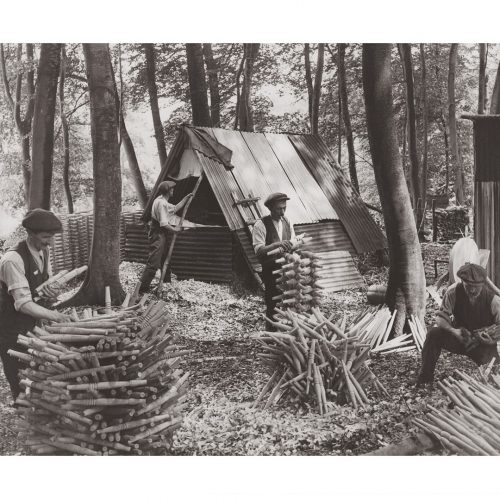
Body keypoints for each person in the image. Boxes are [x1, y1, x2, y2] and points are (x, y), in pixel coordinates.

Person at [0, 209, 74, 401]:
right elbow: (23, 303)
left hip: (33, 323)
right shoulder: (12, 260)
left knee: (37, 370)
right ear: (30, 233)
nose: (49, 242)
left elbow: (43, 286)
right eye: (45, 237)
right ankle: (22, 414)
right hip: (11, 326)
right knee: (19, 374)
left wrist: (52, 294)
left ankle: (37, 412)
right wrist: (57, 316)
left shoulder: (44, 251)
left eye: (52, 237)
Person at [417, 262, 500, 386]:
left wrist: (491, 339)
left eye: (475, 286)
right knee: (434, 334)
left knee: (494, 376)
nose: (472, 290)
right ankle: (425, 377)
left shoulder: (494, 300)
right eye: (468, 285)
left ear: (482, 284)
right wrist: (453, 331)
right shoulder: (453, 292)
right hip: (460, 338)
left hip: (482, 344)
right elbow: (440, 317)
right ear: (462, 282)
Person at [139, 180, 195, 293]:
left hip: (161, 233)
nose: (173, 190)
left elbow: (174, 208)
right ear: (168, 191)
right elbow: (163, 223)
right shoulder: (161, 203)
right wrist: (175, 230)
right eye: (172, 189)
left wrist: (186, 198)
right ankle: (142, 289)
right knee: (154, 262)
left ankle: (165, 282)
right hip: (157, 234)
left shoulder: (161, 200)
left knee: (165, 257)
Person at [252, 192, 296, 330]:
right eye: (279, 209)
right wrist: (276, 245)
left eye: (284, 208)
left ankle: (288, 335)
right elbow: (258, 251)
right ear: (270, 208)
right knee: (273, 306)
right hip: (271, 272)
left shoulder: (287, 222)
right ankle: (271, 338)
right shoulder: (260, 225)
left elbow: (293, 242)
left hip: (288, 271)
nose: (282, 212)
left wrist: (294, 246)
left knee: (290, 305)